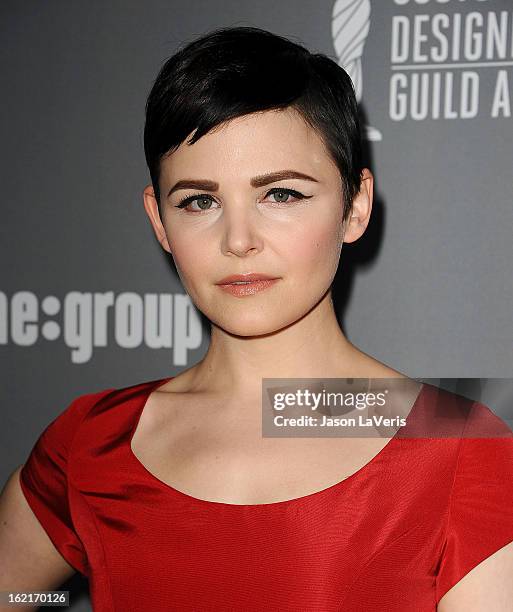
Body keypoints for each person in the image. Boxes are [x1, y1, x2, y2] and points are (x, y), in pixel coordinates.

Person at [1, 25, 513, 612]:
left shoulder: (458, 448)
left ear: (355, 205)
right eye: (200, 201)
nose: (238, 240)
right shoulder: (92, 439)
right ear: (159, 221)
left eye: (282, 195)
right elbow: (15, 591)